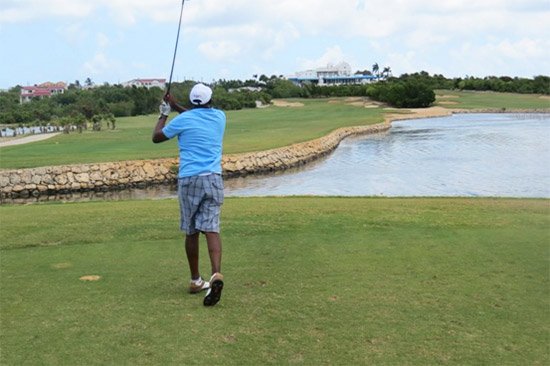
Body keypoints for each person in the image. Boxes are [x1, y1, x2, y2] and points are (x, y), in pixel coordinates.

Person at [152, 83, 226, 307]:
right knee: (211, 227)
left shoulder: (183, 120)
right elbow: (197, 116)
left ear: (192, 101)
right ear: (210, 99)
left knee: (191, 230)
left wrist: (164, 114)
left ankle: (195, 280)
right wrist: (176, 106)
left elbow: (156, 137)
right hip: (213, 178)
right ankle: (215, 274)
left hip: (189, 179)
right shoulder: (220, 117)